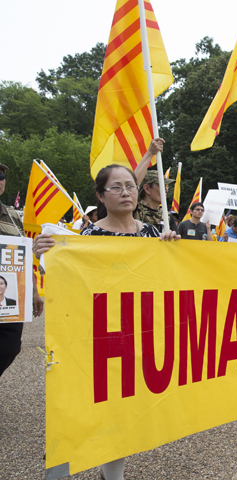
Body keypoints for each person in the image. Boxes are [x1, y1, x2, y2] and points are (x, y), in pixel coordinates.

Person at [33, 163, 179, 480]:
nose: (125, 191)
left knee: (122, 414)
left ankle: (113, 476)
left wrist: (174, 250)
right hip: (96, 338)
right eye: (116, 187)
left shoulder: (155, 234)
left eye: (130, 185)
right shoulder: (88, 237)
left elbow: (166, 281)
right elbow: (71, 286)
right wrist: (46, 255)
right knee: (75, 410)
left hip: (136, 336)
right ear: (101, 195)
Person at [0, 163, 43, 379]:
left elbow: (22, 255)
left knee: (10, 347)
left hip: (8, 298)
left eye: (0, 176)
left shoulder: (13, 216)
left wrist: (34, 290)